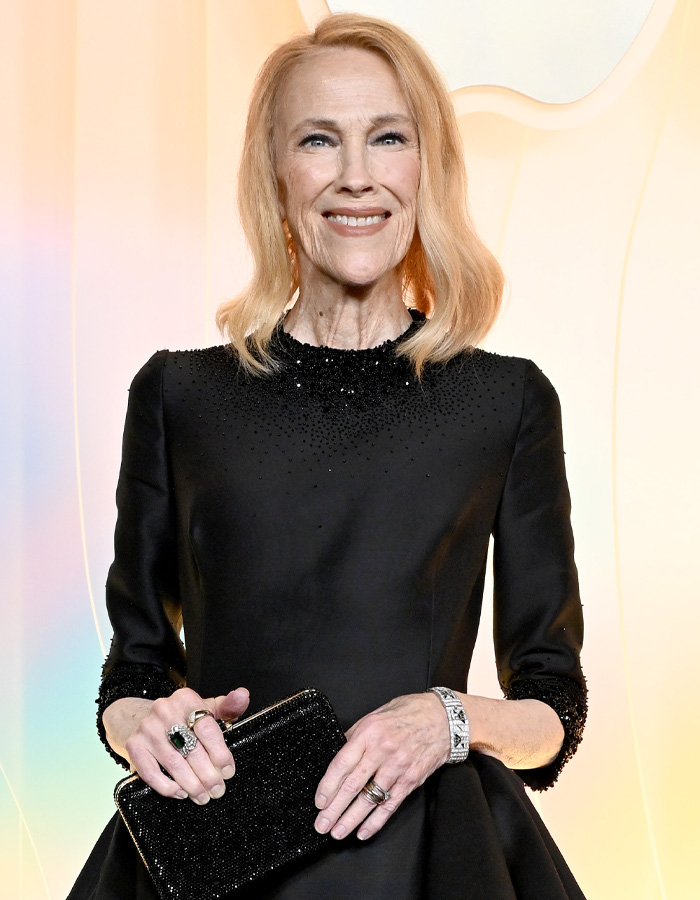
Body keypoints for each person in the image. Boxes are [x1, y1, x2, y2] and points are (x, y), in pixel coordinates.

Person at [69, 13, 587, 900]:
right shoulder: (177, 396)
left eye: (389, 137)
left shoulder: (507, 401)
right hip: (222, 843)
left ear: (427, 168)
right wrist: (143, 724)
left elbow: (553, 709)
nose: (356, 176)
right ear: (275, 172)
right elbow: (136, 669)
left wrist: (449, 721)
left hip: (438, 857)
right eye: (319, 139)